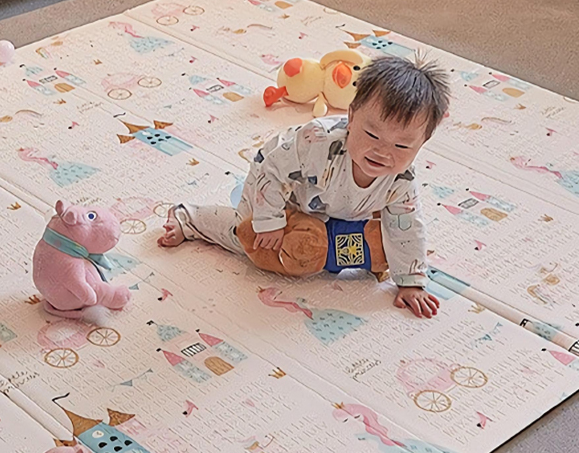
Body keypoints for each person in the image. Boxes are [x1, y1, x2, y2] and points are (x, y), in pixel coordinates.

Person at [159, 55, 451, 319]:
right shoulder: (316, 143)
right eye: (372, 135)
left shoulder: (401, 180)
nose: (382, 152)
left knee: (384, 235)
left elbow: (407, 226)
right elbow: (273, 173)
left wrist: (411, 281)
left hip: (328, 201)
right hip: (278, 181)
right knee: (250, 238)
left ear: (422, 143)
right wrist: (270, 221)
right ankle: (189, 218)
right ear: (351, 117)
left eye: (402, 146)